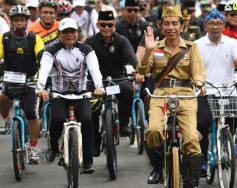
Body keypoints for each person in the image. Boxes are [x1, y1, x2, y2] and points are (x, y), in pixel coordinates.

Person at [137, 5, 205, 187]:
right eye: (166, 23)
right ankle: (158, 168)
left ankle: (191, 183)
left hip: (186, 95)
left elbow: (198, 71)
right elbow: (142, 71)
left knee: (191, 138)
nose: (171, 27)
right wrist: (149, 50)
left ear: (181, 26)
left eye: (175, 23)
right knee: (152, 131)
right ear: (161, 26)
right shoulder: (155, 47)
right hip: (160, 95)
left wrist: (199, 83)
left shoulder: (191, 48)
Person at [36, 18, 105, 173]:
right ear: (59, 34)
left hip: (82, 94)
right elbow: (44, 69)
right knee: (58, 119)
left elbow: (94, 69)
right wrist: (41, 88)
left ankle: (88, 161)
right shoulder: (51, 51)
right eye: (65, 32)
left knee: (87, 120)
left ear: (77, 33)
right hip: (59, 94)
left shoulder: (86, 50)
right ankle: (53, 149)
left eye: (72, 31)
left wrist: (99, 87)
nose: (69, 35)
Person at [194, 8, 237, 176]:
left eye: (219, 24)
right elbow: (194, 68)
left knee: (234, 117)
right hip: (205, 91)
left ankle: (229, 139)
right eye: (212, 24)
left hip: (227, 91)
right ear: (206, 26)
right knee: (203, 123)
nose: (215, 27)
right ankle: (204, 160)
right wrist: (197, 84)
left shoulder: (232, 43)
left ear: (224, 26)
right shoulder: (197, 45)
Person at [86, 11, 137, 155]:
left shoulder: (122, 40)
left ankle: (123, 124)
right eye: (103, 25)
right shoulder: (90, 42)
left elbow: (133, 59)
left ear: (114, 25)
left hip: (117, 80)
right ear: (98, 25)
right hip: (96, 82)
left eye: (110, 25)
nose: (106, 28)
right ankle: (95, 141)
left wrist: (139, 71)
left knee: (127, 90)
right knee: (91, 109)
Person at [0, 5, 44, 163]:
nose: (19, 23)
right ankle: (4, 119)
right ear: (11, 21)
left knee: (31, 114)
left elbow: (41, 55)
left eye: (22, 20)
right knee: (2, 96)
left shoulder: (34, 38)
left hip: (30, 80)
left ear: (26, 21)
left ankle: (33, 147)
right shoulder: (4, 38)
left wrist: (44, 66)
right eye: (16, 20)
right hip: (9, 79)